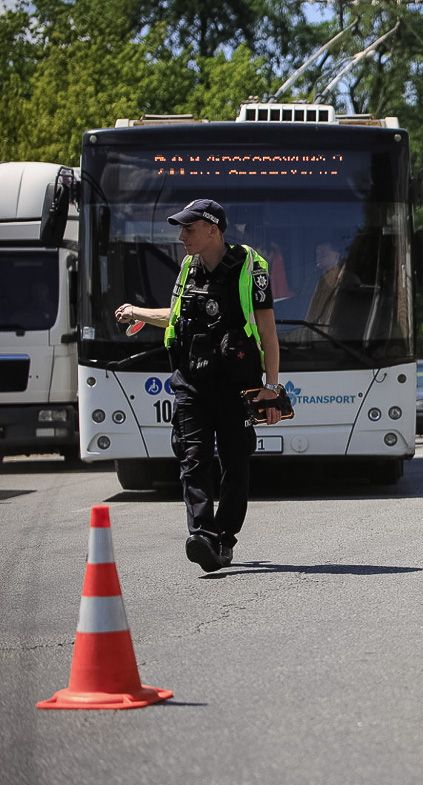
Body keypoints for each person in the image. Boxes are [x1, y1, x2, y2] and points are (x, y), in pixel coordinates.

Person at [114, 199, 283, 573]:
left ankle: (224, 538)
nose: (182, 236)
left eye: (189, 229)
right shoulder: (189, 268)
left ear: (213, 230)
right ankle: (203, 535)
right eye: (181, 229)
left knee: (236, 463)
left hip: (237, 383)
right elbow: (174, 317)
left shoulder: (249, 268)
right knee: (193, 458)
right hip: (192, 382)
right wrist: (137, 311)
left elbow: (269, 333)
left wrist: (271, 387)